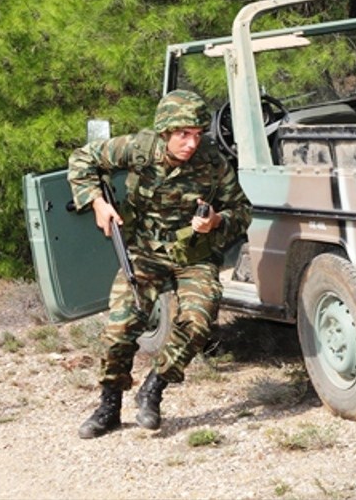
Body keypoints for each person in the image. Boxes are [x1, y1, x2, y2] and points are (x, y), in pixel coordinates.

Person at [67, 89, 252, 438]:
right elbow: (82, 159)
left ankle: (154, 388)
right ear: (165, 131)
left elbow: (242, 211)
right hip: (146, 250)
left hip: (194, 254)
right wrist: (97, 203)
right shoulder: (138, 148)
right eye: (183, 134)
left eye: (197, 134)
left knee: (198, 321)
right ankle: (109, 406)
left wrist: (217, 221)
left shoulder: (213, 162)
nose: (191, 143)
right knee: (120, 327)